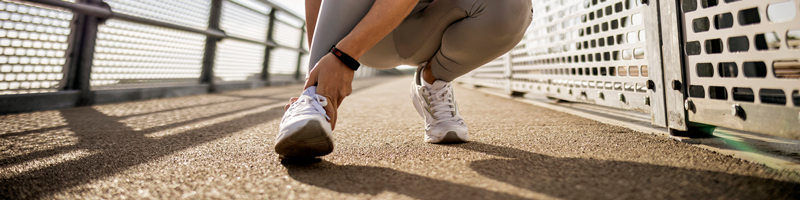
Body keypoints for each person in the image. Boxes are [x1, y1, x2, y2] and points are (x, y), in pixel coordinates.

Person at [276, 0, 532, 158]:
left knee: (513, 6)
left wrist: (344, 56)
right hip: (365, 32)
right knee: (316, 93)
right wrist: (321, 69)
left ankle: (432, 81)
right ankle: (314, 100)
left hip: (429, 24)